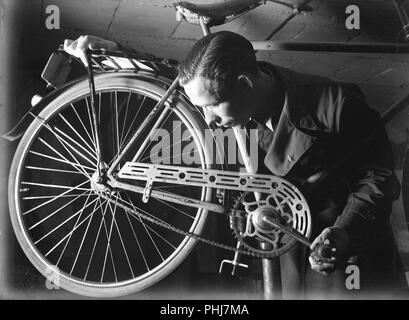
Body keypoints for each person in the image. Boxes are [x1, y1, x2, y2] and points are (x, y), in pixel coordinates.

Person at [63, 32, 404, 298]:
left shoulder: (336, 106)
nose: (208, 121)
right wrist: (112, 55)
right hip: (287, 246)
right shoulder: (223, 90)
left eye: (212, 109)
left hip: (343, 246)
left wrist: (344, 233)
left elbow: (379, 179)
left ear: (244, 84)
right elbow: (172, 77)